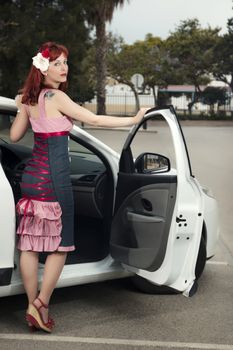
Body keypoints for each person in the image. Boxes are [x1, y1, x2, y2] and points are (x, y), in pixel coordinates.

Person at [10, 41, 148, 333]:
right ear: (44, 68)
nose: (64, 68)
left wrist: (21, 103)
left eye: (65, 63)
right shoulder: (56, 97)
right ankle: (41, 304)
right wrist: (134, 119)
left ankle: (31, 304)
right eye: (57, 63)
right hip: (54, 181)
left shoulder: (28, 99)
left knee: (31, 245)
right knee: (61, 245)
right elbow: (94, 119)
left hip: (31, 179)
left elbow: (13, 136)